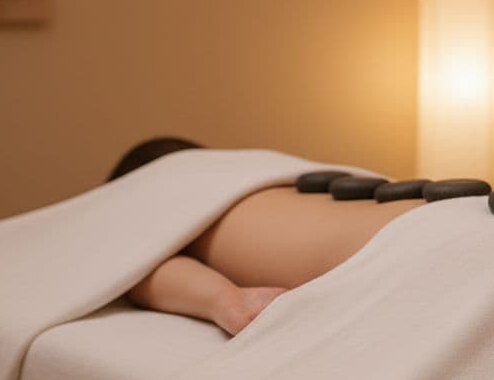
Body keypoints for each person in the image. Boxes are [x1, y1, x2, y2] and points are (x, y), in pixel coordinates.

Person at [111, 137, 422, 335]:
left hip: (404, 248)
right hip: (426, 227)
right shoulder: (244, 186)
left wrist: (224, 300)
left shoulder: (176, 194)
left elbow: (140, 272)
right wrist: (227, 301)